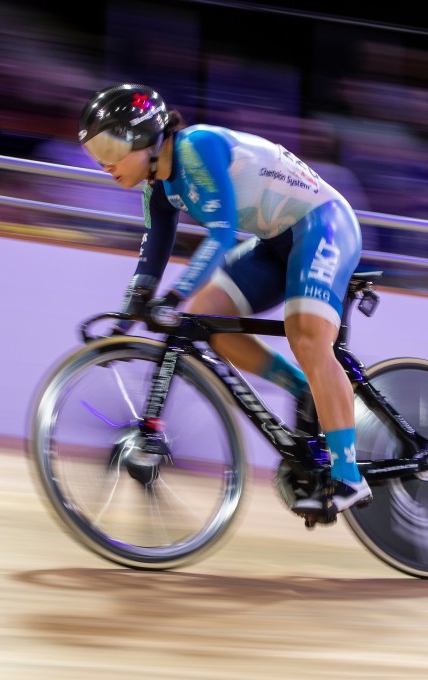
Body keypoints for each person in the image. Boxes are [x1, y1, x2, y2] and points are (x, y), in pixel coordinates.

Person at [78, 83, 370, 514]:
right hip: (275, 241)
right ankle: (305, 390)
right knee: (206, 320)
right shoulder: (158, 186)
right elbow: (153, 249)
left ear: (144, 136)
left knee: (307, 337)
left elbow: (221, 232)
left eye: (109, 147)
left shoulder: (196, 145)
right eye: (93, 152)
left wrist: (173, 295)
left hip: (322, 224)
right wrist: (128, 315)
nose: (104, 163)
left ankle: (349, 475)